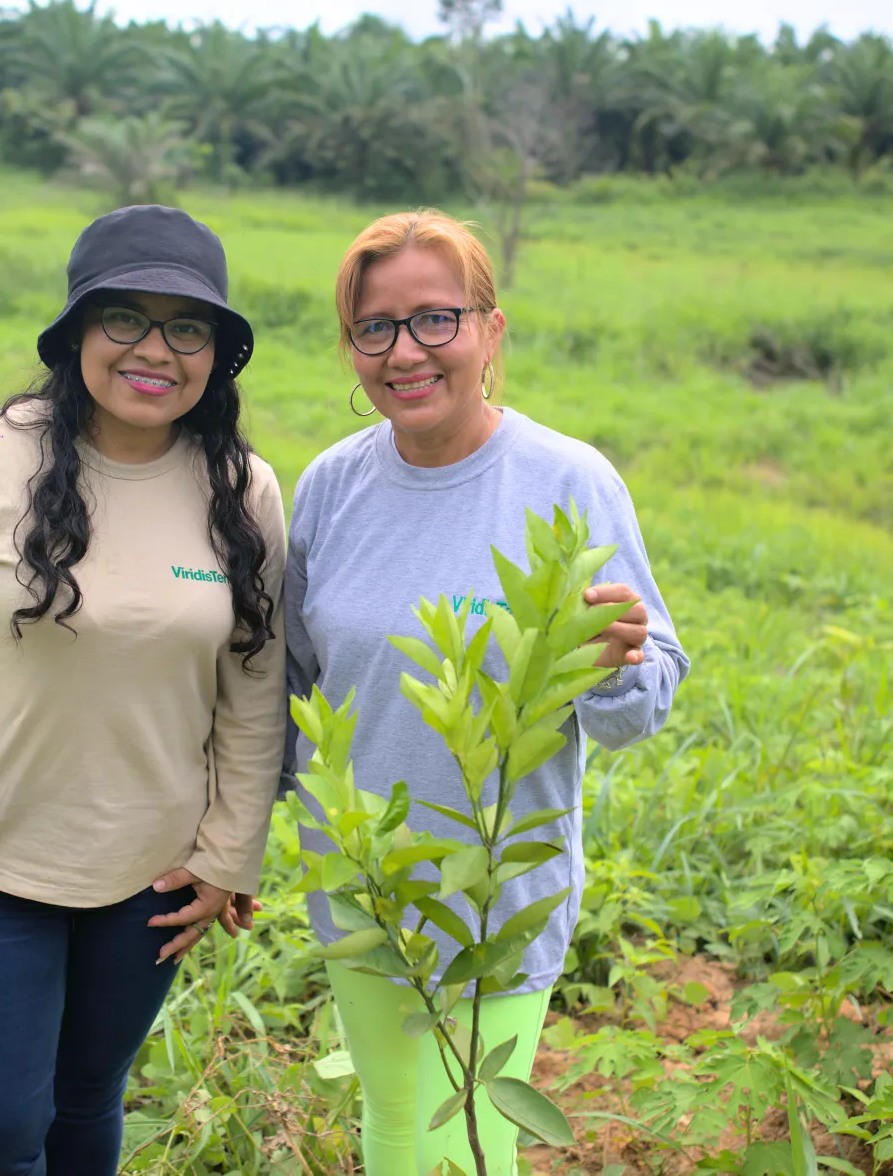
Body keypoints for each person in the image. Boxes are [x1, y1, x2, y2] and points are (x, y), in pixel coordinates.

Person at [0, 205, 287, 1176]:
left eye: (187, 327)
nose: (156, 350)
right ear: (76, 334)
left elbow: (255, 688)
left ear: (217, 352)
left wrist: (232, 851)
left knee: (88, 1098)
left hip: (152, 875)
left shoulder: (243, 489)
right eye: (125, 319)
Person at [284, 210, 690, 1176]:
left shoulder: (566, 481)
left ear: (489, 331)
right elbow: (289, 686)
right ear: (351, 347)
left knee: (466, 1147)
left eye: (437, 319)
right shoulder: (330, 488)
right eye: (375, 327)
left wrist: (617, 665)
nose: (406, 352)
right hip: (363, 881)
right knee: (392, 1126)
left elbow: (644, 700)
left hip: (500, 900)